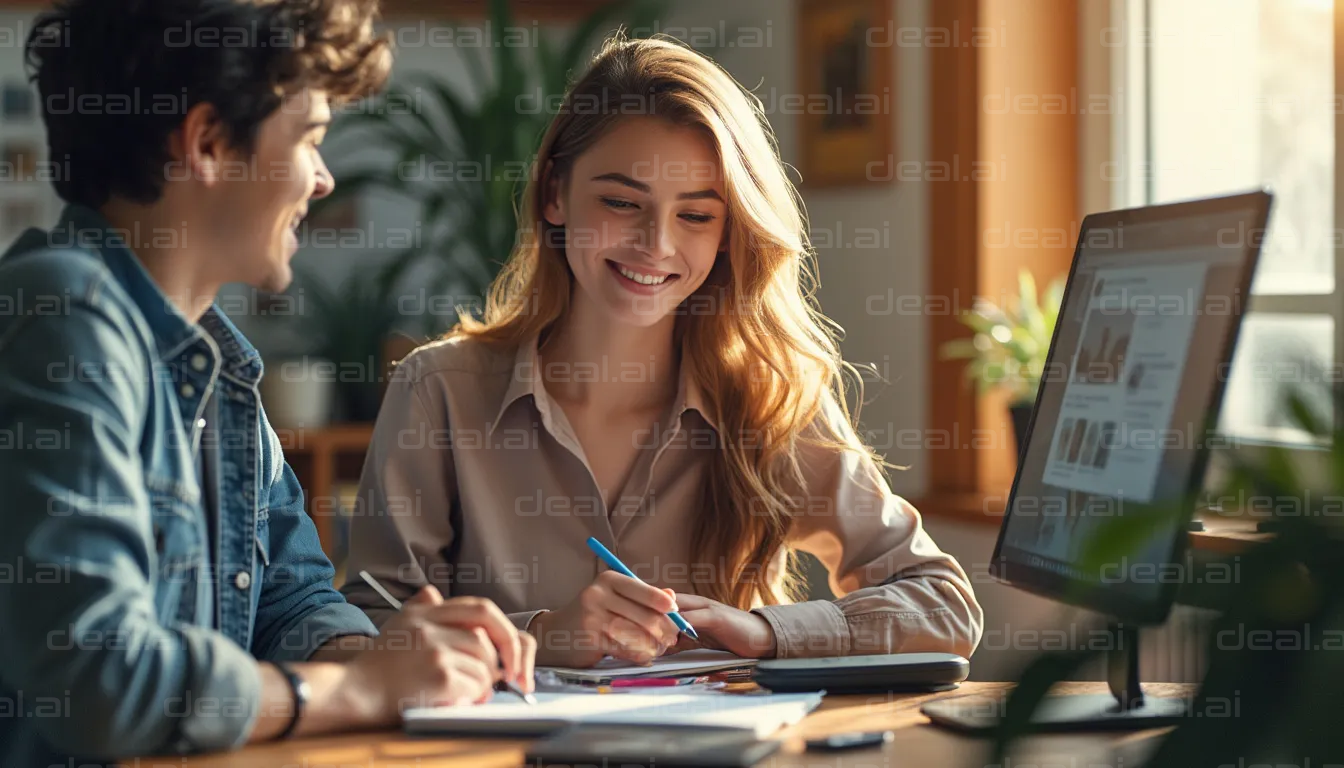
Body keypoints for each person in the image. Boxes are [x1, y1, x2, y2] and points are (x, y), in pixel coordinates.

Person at [342, 34, 984, 668]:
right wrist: (543, 635)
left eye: (696, 216)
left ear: (729, 230)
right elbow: (366, 629)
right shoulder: (438, 391)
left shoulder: (769, 401)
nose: (656, 244)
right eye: (622, 202)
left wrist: (766, 631)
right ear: (555, 194)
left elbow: (945, 606)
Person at [0, 2, 534, 765]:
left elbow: (291, 598)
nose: (324, 179)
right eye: (311, 138)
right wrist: (359, 690)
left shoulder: (220, 366)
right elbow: (100, 678)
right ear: (208, 144)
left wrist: (400, 658)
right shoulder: (62, 316)